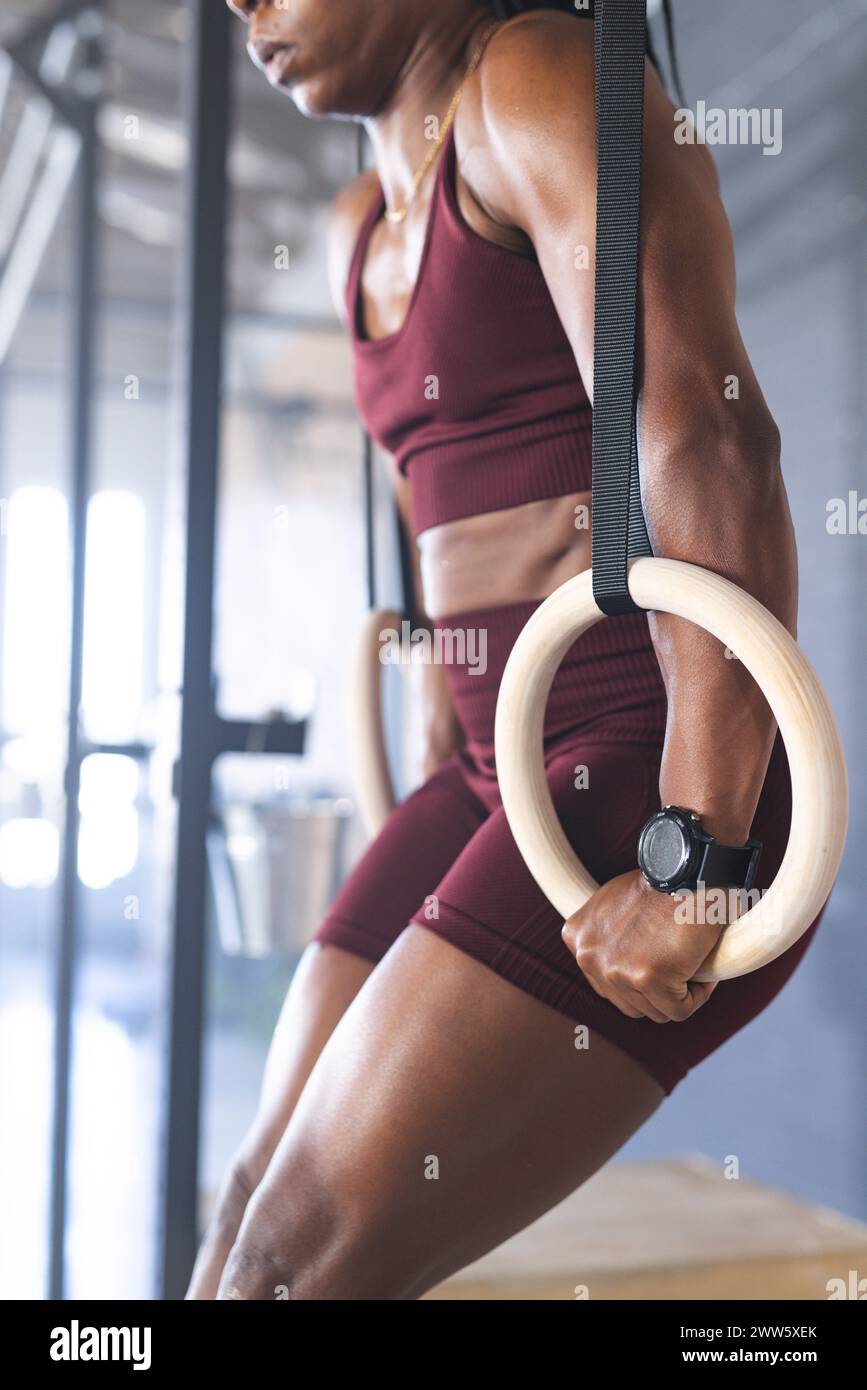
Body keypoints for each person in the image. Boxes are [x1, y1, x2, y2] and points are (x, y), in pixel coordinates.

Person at [188, 0, 821, 1301]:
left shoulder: (532, 82)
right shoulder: (354, 224)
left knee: (297, 1267)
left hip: (647, 768)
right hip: (498, 769)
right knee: (247, 1209)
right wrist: (442, 694)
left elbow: (710, 440)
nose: (242, 2)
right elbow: (447, 484)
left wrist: (697, 848)